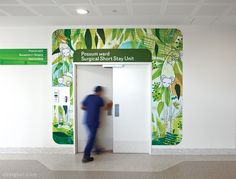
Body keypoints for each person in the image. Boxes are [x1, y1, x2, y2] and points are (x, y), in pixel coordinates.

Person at [81, 86, 112, 163]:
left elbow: (82, 107)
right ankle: (86, 156)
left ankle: (97, 149)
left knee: (92, 136)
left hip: (87, 121)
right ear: (100, 92)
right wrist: (110, 104)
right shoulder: (99, 99)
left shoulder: (88, 97)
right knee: (91, 138)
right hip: (94, 121)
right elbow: (104, 108)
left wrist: (90, 109)